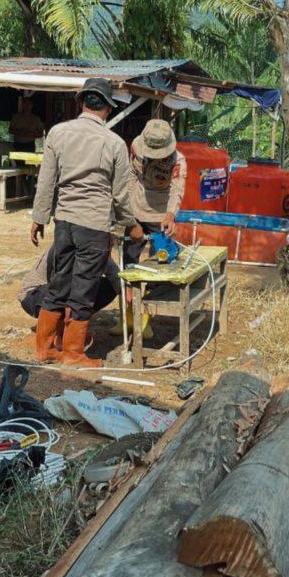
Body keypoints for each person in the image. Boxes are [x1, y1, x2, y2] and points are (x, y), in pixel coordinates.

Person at [30, 78, 144, 368]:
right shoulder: (114, 143)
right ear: (108, 108)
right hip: (94, 224)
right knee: (83, 289)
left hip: (65, 221)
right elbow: (120, 195)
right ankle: (73, 353)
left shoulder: (58, 133)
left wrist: (39, 218)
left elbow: (46, 181)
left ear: (81, 103)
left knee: (59, 283)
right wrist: (131, 225)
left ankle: (44, 349)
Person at [117, 118, 187, 339]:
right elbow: (130, 177)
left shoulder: (178, 161)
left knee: (158, 267)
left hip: (161, 215)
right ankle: (127, 317)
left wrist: (170, 215)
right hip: (136, 210)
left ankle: (146, 318)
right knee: (129, 265)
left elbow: (177, 189)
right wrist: (129, 217)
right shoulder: (136, 148)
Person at [18, 246, 120, 320]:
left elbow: (115, 277)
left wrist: (124, 291)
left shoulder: (97, 246)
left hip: (57, 291)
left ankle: (74, 321)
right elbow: (61, 284)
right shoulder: (67, 245)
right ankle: (62, 328)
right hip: (33, 297)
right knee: (77, 287)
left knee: (107, 286)